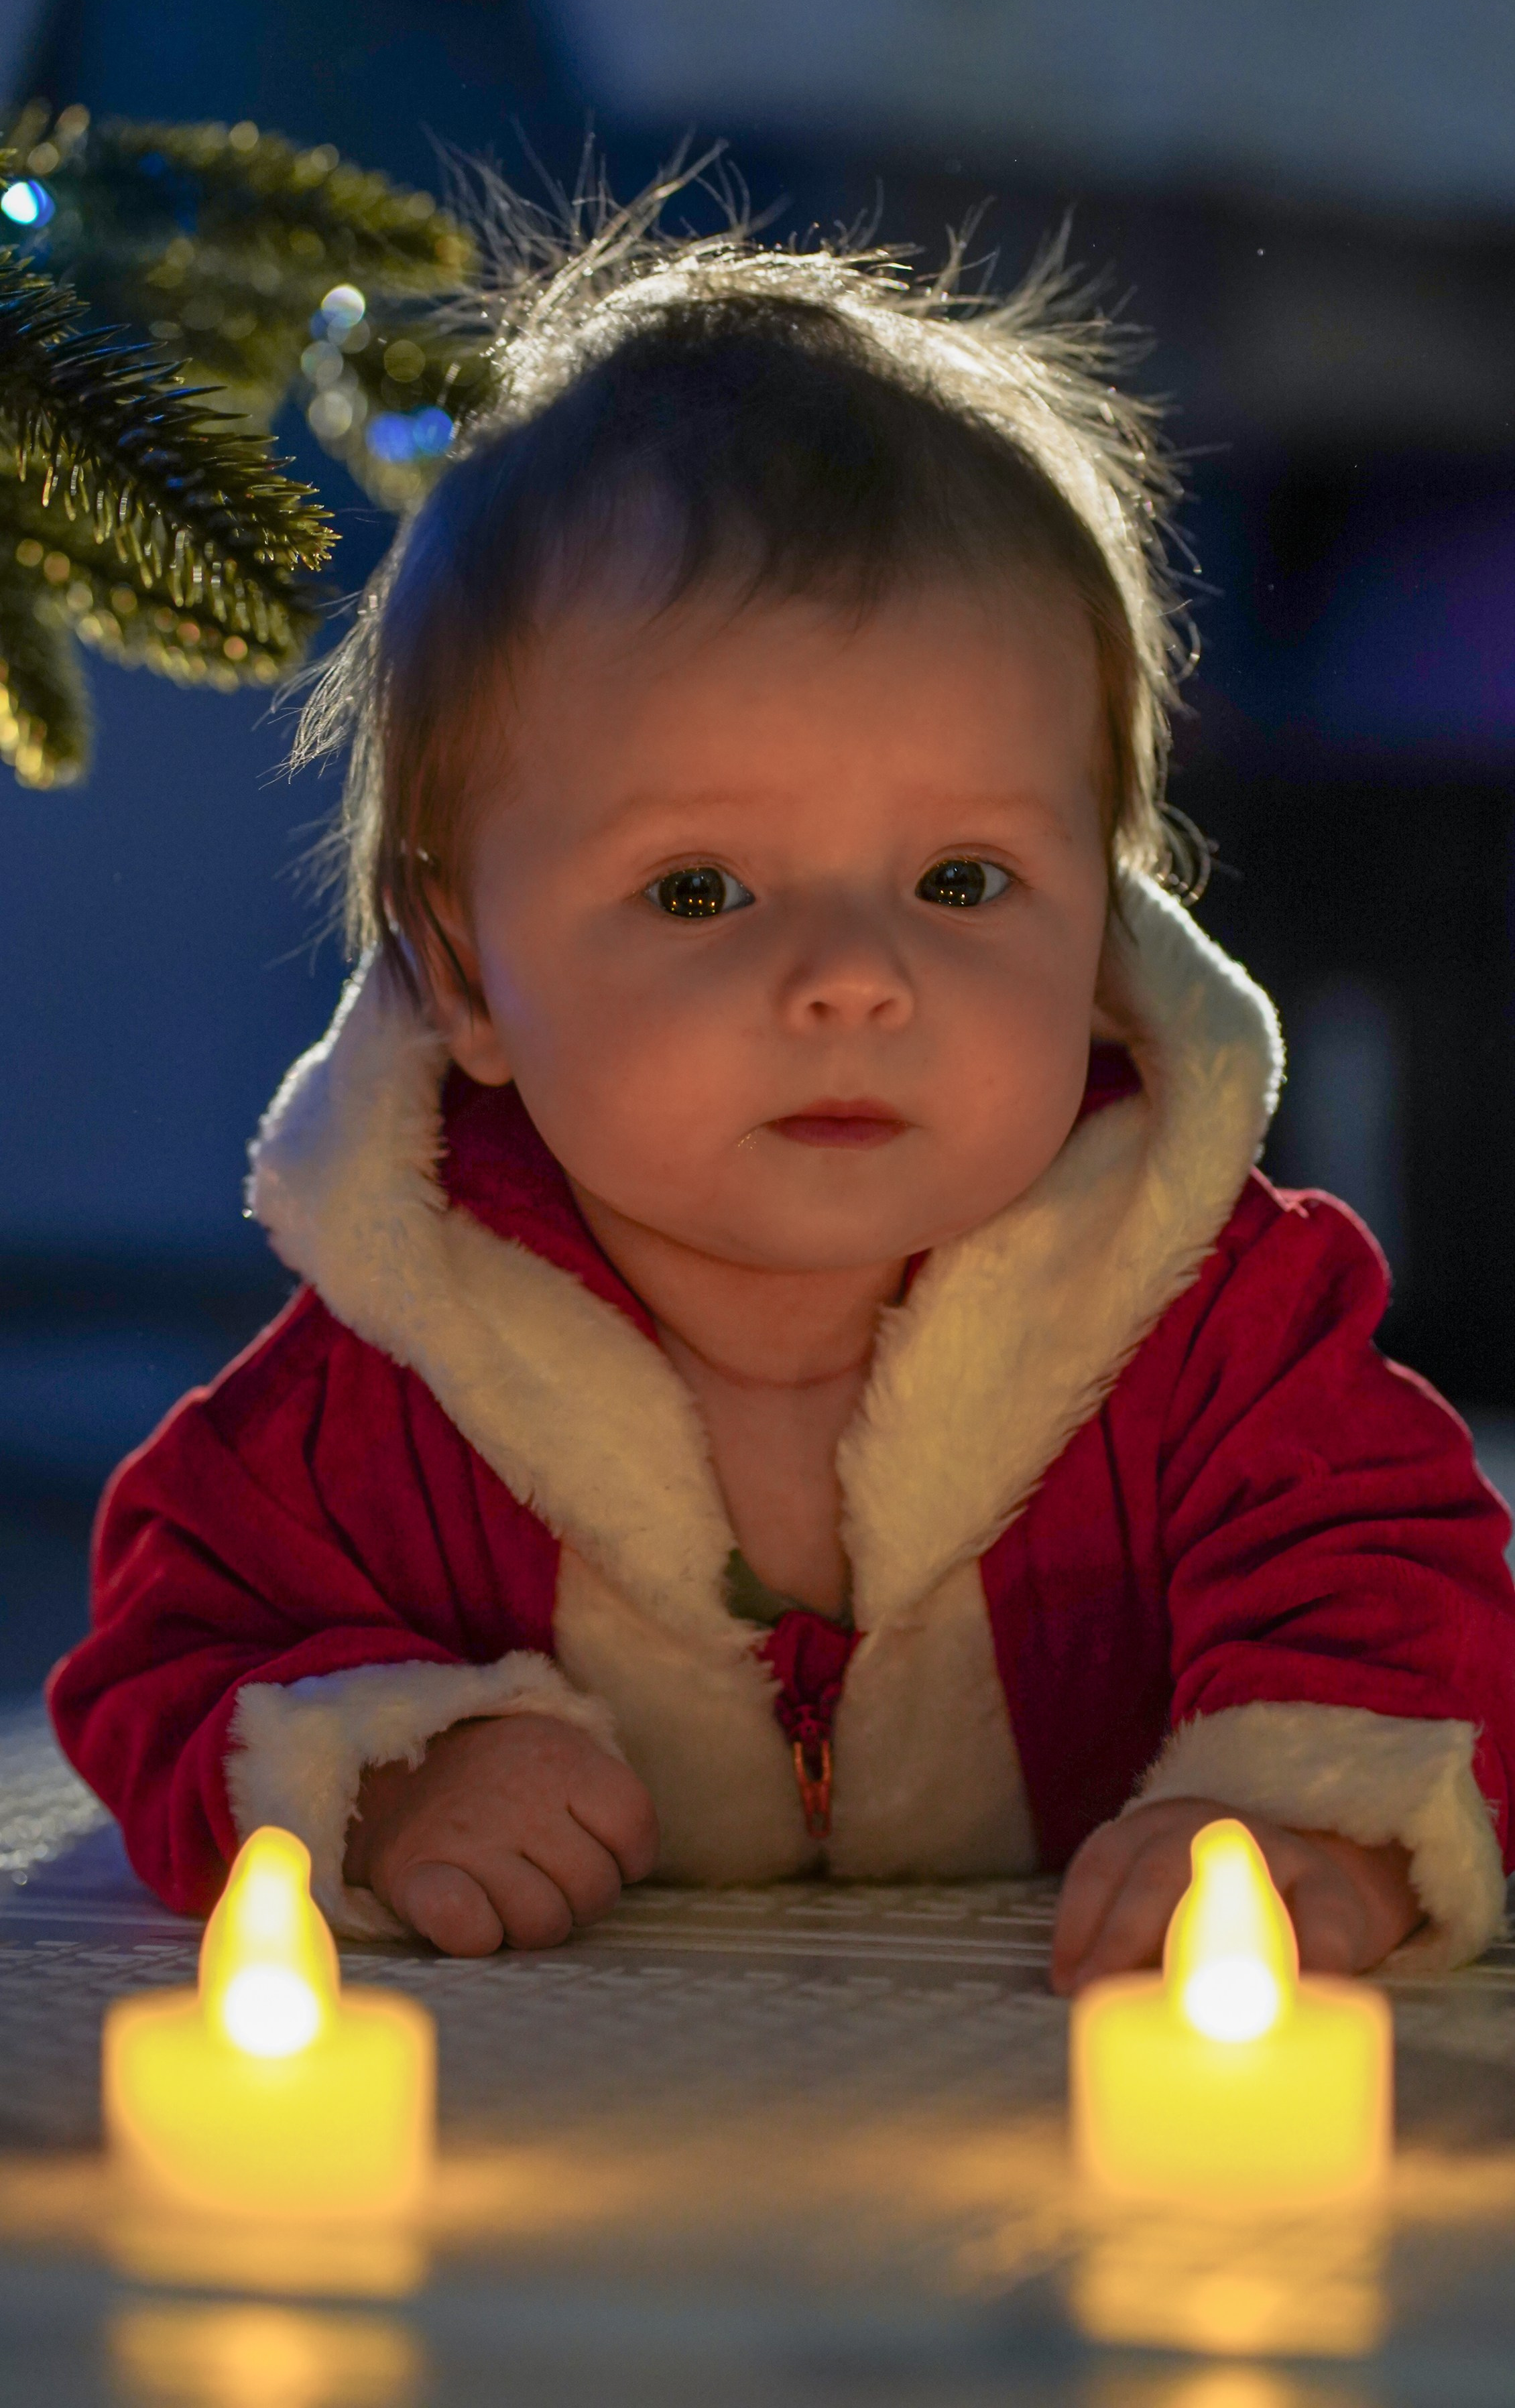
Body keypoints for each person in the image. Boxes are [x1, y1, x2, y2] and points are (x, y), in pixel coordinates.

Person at [48, 179, 1515, 1990]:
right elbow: (175, 1647)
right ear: (464, 972)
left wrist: (1314, 1820)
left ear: (1105, 911)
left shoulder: (1212, 1320)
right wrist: (390, 1771)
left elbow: (1408, 1592)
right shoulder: (401, 1368)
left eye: (960, 882)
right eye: (697, 891)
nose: (848, 977)